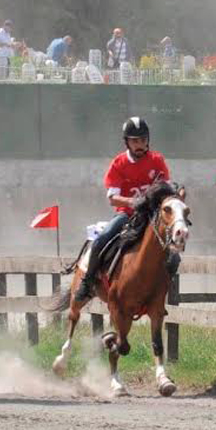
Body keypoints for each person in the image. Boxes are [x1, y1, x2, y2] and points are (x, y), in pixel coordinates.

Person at [75, 117, 173, 302]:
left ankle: (163, 289)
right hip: (127, 215)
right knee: (101, 240)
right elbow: (112, 198)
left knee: (174, 251)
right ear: (127, 142)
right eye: (135, 141)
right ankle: (87, 283)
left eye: (143, 140)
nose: (140, 145)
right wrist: (132, 202)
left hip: (153, 215)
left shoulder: (157, 160)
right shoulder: (119, 164)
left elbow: (167, 189)